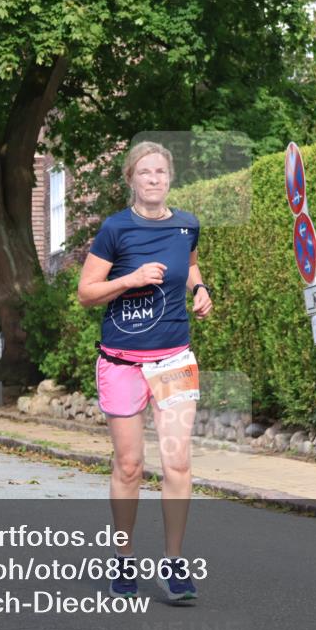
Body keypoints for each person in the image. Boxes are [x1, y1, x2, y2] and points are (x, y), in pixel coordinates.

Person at [77, 141, 213, 601]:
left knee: (177, 463)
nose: (154, 179)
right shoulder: (116, 229)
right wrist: (130, 280)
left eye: (161, 172)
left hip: (174, 359)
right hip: (121, 361)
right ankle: (123, 558)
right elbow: (86, 292)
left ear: (169, 177)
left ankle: (174, 565)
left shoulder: (186, 225)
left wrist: (200, 289)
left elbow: (190, 266)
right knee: (130, 465)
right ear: (130, 179)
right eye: (145, 172)